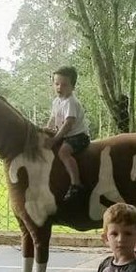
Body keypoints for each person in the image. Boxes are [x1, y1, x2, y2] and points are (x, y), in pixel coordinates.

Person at [45, 65, 90, 203]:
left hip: (78, 136)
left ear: (73, 87)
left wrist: (55, 139)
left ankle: (76, 184)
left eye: (64, 85)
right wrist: (47, 130)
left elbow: (68, 124)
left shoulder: (70, 102)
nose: (59, 87)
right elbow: (53, 118)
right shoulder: (56, 102)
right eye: (56, 83)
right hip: (66, 135)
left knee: (63, 152)